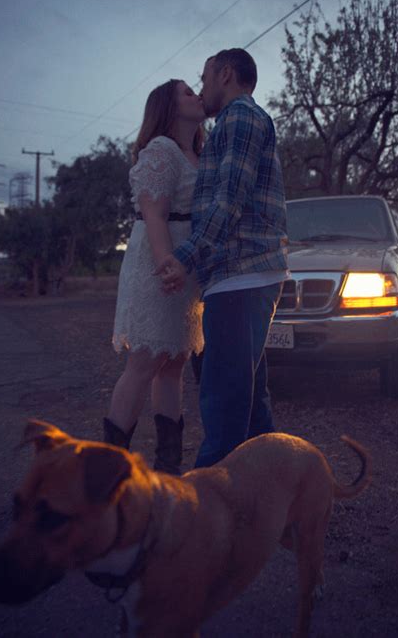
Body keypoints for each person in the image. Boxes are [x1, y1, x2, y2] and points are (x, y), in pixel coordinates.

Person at [156, 48, 289, 468]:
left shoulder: (240, 117)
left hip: (241, 275)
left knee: (223, 401)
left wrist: (184, 257)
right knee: (248, 403)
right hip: (240, 276)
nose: (202, 87)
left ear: (226, 74)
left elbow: (229, 201)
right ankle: (271, 501)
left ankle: (198, 514)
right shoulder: (235, 123)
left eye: (206, 76)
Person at [105, 79, 205, 475]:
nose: (197, 95)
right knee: (144, 362)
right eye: (186, 92)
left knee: (174, 362)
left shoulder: (197, 153)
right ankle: (109, 472)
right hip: (159, 262)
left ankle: (168, 469)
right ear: (167, 107)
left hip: (186, 268)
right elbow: (154, 213)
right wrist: (167, 262)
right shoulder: (161, 150)